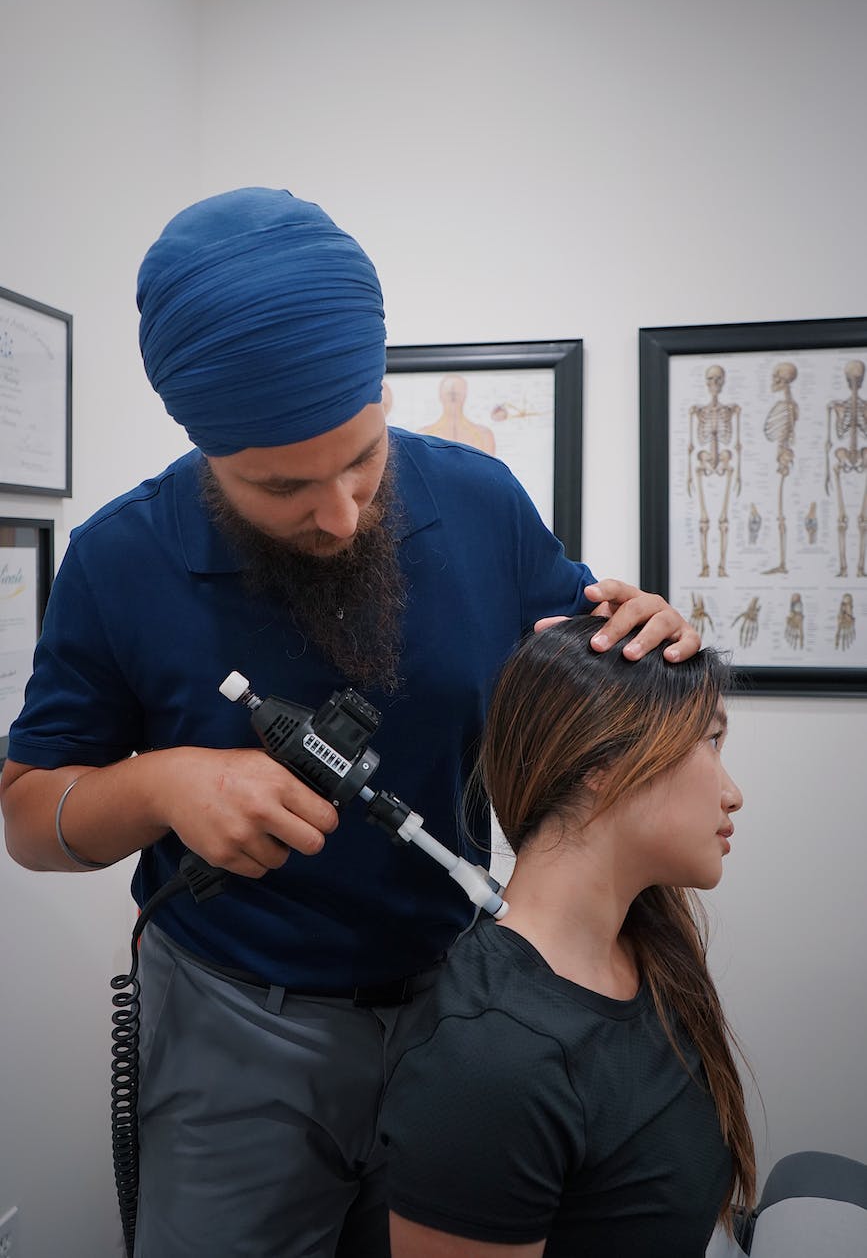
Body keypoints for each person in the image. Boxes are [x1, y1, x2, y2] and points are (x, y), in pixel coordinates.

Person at [0, 187, 701, 1258]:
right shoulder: (117, 561)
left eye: (364, 458)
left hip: (460, 1004)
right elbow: (27, 818)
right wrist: (162, 786)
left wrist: (635, 624)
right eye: (283, 486)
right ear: (207, 451)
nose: (338, 513)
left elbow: (580, 648)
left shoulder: (480, 501)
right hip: (233, 1025)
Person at [382, 615, 755, 1257]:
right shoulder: (490, 1062)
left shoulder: (651, 951)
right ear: (604, 764)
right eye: (711, 741)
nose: (733, 794)